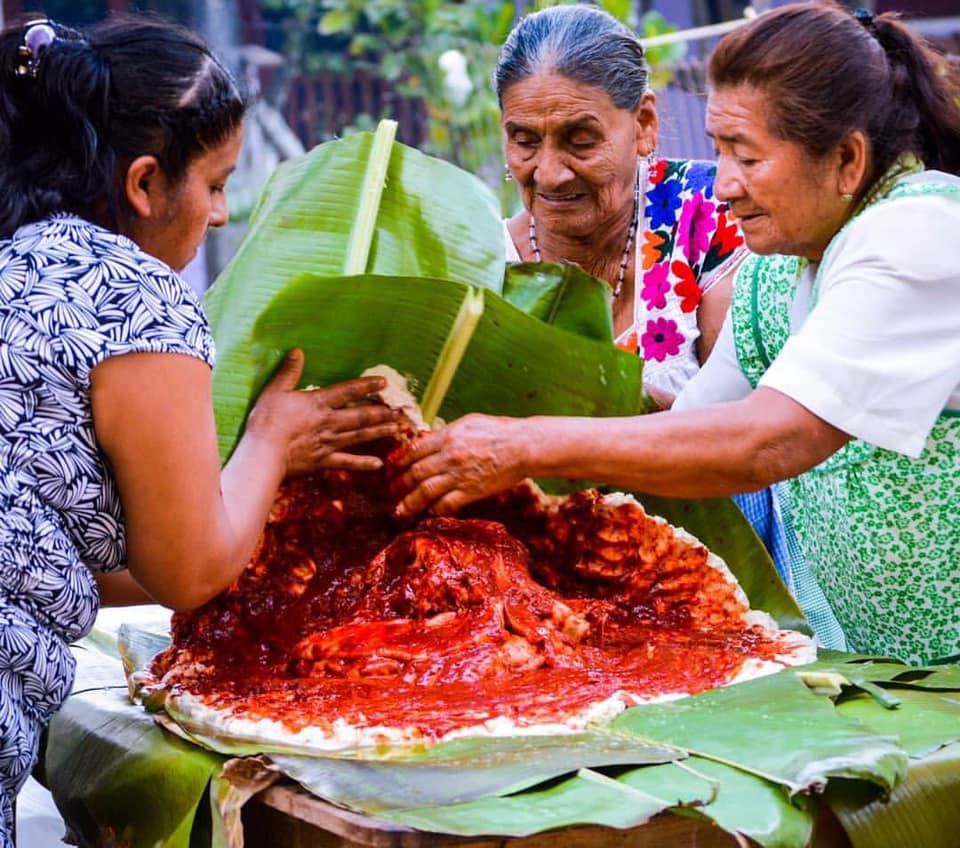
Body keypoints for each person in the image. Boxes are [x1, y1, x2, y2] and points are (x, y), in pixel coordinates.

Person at [396, 1, 960, 666]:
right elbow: (692, 434)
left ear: (845, 159)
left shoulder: (918, 231)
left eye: (745, 157)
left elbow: (768, 439)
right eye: (719, 152)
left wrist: (522, 444)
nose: (720, 187)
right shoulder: (774, 272)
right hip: (896, 676)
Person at [0, 16, 399, 845]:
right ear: (145, 185)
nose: (221, 215)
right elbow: (186, 570)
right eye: (215, 184)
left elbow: (85, 549)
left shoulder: (17, 258)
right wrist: (274, 440)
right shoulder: (135, 296)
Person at [493, 5, 803, 590]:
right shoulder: (485, 262)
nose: (551, 173)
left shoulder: (717, 217)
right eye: (524, 141)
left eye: (581, 141)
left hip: (721, 567)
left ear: (644, 123)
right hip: (546, 582)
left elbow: (744, 426)